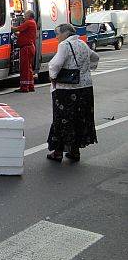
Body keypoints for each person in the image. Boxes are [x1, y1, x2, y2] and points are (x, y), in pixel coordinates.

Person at [46, 23, 99, 162]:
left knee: (62, 120)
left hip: (66, 90)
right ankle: (75, 151)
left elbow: (55, 64)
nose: (56, 37)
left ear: (65, 33)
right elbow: (95, 57)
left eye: (57, 34)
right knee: (79, 119)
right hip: (85, 89)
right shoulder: (83, 44)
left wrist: (52, 77)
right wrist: (86, 70)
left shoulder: (64, 45)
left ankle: (58, 153)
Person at [11, 10, 37, 92]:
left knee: (24, 68)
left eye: (25, 15)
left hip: (26, 48)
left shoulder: (28, 22)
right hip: (29, 47)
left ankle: (24, 87)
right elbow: (24, 34)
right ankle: (30, 86)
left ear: (29, 15)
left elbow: (17, 29)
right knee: (28, 68)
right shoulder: (32, 23)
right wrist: (18, 34)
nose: (23, 17)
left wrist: (8, 26)